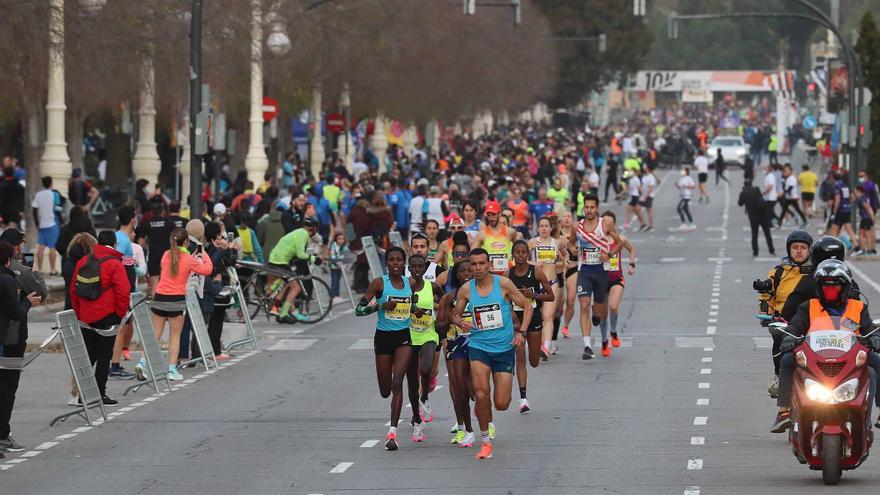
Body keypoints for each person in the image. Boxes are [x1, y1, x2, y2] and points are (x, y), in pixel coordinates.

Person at [771, 259, 880, 432]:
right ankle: (783, 411)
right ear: (818, 287)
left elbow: (867, 328)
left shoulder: (858, 307)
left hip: (851, 357)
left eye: (835, 285)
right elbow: (795, 326)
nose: (830, 290)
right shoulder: (809, 306)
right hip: (814, 356)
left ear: (845, 287)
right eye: (825, 286)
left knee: (877, 361)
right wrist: (788, 337)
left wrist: (875, 338)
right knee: (786, 360)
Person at [452, 248, 533, 460]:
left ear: (488, 265)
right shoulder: (466, 290)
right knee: (481, 393)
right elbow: (455, 313)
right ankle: (485, 441)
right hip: (478, 347)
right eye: (474, 264)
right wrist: (460, 321)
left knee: (501, 403)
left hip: (505, 349)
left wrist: (521, 333)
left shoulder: (503, 284)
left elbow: (527, 306)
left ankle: (486, 409)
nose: (477, 268)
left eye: (481, 264)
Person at [356, 246, 412, 450]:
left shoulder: (410, 283)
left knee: (398, 382)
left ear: (403, 263)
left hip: (404, 338)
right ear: (386, 263)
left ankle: (392, 433)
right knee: (385, 390)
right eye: (391, 260)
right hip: (383, 338)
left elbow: (412, 306)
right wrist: (380, 306)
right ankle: (392, 424)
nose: (395, 263)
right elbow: (359, 310)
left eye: (399, 260)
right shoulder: (379, 283)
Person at [69, 231, 130, 406]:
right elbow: (123, 292)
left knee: (89, 355)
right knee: (104, 356)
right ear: (115, 244)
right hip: (107, 317)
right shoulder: (114, 263)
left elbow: (74, 289)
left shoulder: (83, 261)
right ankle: (99, 393)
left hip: (86, 316)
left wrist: (79, 312)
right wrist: (119, 315)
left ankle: (82, 394)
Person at [146, 228, 214, 381]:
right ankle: (171, 369)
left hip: (160, 297)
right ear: (187, 242)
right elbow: (207, 270)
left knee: (154, 335)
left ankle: (143, 363)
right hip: (176, 300)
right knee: (174, 336)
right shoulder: (189, 259)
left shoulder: (165, 255)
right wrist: (203, 254)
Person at [757, 230, 812, 398]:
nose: (799, 251)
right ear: (789, 250)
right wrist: (766, 310)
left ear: (810, 250)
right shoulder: (778, 272)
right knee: (778, 341)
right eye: (795, 247)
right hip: (784, 320)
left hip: (809, 320)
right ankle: (778, 376)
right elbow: (768, 297)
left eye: (803, 247)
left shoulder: (815, 271)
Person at [0, 241, 41, 455]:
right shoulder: (7, 279)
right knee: (6, 388)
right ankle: (2, 435)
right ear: (9, 258)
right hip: (6, 341)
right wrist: (27, 302)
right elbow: (15, 311)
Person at [571, 194, 622, 360]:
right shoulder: (577, 226)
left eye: (592, 207)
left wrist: (609, 254)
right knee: (584, 304)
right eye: (586, 207)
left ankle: (596, 312)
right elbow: (571, 243)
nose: (589, 210)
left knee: (600, 311)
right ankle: (587, 346)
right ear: (583, 208)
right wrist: (572, 250)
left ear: (597, 208)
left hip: (601, 270)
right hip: (585, 270)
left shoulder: (605, 223)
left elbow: (619, 243)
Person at [508, 240, 553, 412]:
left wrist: (532, 295)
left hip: (533, 319)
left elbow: (551, 297)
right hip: (516, 322)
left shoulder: (537, 272)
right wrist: (513, 317)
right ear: (512, 254)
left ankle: (536, 350)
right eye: (517, 252)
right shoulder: (508, 274)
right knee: (520, 357)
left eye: (523, 252)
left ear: (528, 254)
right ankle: (523, 398)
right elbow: (505, 300)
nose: (520, 255)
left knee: (533, 361)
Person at [405, 254, 442, 443]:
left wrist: (443, 322)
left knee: (426, 369)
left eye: (421, 267)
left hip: (428, 333)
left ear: (425, 268)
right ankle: (417, 420)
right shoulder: (405, 287)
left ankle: (425, 397)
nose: (418, 270)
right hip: (410, 336)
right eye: (414, 267)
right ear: (409, 268)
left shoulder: (433, 286)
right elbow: (398, 307)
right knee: (411, 381)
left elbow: (445, 303)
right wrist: (411, 309)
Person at [437, 260, 475, 447]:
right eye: (462, 271)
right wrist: (451, 319)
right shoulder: (449, 297)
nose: (467, 273)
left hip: (479, 342)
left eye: (470, 270)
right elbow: (439, 326)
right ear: (456, 274)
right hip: (456, 342)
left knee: (475, 388)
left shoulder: (482, 295)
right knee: (459, 388)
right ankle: (463, 428)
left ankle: (488, 423)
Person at [267, 217, 322, 323]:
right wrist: (315, 259)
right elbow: (301, 254)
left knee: (289, 284)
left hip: (279, 258)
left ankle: (286, 310)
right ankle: (282, 314)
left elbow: (296, 251)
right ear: (313, 228)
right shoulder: (304, 234)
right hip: (280, 260)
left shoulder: (300, 232)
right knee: (296, 288)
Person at [599, 211, 636, 357]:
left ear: (613, 224)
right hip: (600, 280)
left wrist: (632, 264)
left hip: (616, 279)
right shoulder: (597, 240)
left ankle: (613, 332)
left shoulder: (620, 239)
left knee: (613, 307)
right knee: (603, 315)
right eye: (605, 222)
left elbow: (632, 249)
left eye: (610, 222)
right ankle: (604, 343)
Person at [109, 206, 138, 379]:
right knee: (121, 328)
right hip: (122, 290)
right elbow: (122, 267)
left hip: (116, 289)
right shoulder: (125, 241)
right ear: (133, 219)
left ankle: (113, 362)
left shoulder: (117, 237)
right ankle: (115, 364)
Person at [527, 217, 561, 360]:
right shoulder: (533, 242)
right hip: (536, 284)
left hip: (552, 283)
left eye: (546, 226)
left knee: (548, 317)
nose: (544, 228)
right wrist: (534, 263)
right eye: (541, 226)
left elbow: (565, 259)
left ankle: (546, 347)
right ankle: (541, 344)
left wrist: (560, 263)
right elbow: (522, 259)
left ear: (551, 228)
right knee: (538, 318)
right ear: (538, 228)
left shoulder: (557, 243)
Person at [470, 201, 518, 276]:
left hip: (507, 274)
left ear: (499, 213)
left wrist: (513, 264)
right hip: (489, 275)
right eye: (489, 215)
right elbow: (472, 254)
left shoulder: (510, 232)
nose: (491, 218)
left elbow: (520, 249)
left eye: (493, 214)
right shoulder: (481, 234)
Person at [739, 179, 775, 257]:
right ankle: (771, 250)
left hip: (753, 216)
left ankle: (755, 252)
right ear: (751, 184)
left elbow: (740, 203)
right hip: (762, 214)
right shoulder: (757, 189)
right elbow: (761, 198)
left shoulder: (743, 192)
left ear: (744, 185)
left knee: (754, 235)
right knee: (767, 233)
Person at [32, 176, 60, 274]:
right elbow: (58, 208)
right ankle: (53, 270)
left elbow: (34, 209)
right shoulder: (54, 194)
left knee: (41, 246)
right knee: (52, 247)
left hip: (42, 224)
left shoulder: (38, 194)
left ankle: (39, 270)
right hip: (52, 223)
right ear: (51, 183)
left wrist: (37, 223)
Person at [827, 170, 857, 251]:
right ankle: (856, 245)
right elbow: (853, 197)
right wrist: (847, 203)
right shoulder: (846, 185)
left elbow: (837, 199)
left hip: (840, 211)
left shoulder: (836, 186)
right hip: (847, 209)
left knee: (834, 230)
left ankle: (833, 248)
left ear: (834, 177)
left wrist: (834, 211)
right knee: (849, 230)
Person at [854, 185, 877, 256]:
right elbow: (870, 207)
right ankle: (869, 250)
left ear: (859, 191)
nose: (855, 193)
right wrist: (872, 217)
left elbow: (867, 207)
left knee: (860, 234)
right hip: (868, 218)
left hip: (865, 218)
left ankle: (863, 249)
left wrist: (872, 217)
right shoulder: (866, 197)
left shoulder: (861, 198)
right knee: (868, 234)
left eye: (856, 192)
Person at [329, 232, 347, 303]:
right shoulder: (333, 246)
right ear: (336, 239)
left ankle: (337, 295)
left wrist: (344, 264)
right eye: (339, 239)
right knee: (334, 281)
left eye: (342, 239)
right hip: (334, 267)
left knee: (338, 281)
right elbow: (332, 256)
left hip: (340, 267)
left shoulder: (344, 247)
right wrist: (337, 264)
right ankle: (333, 296)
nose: (341, 240)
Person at [639, 165, 657, 231]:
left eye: (645, 168)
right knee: (637, 208)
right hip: (643, 195)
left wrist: (646, 196)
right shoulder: (644, 177)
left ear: (648, 169)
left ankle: (651, 225)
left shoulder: (651, 177)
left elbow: (651, 188)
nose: (644, 169)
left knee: (649, 210)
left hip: (648, 196)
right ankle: (643, 224)